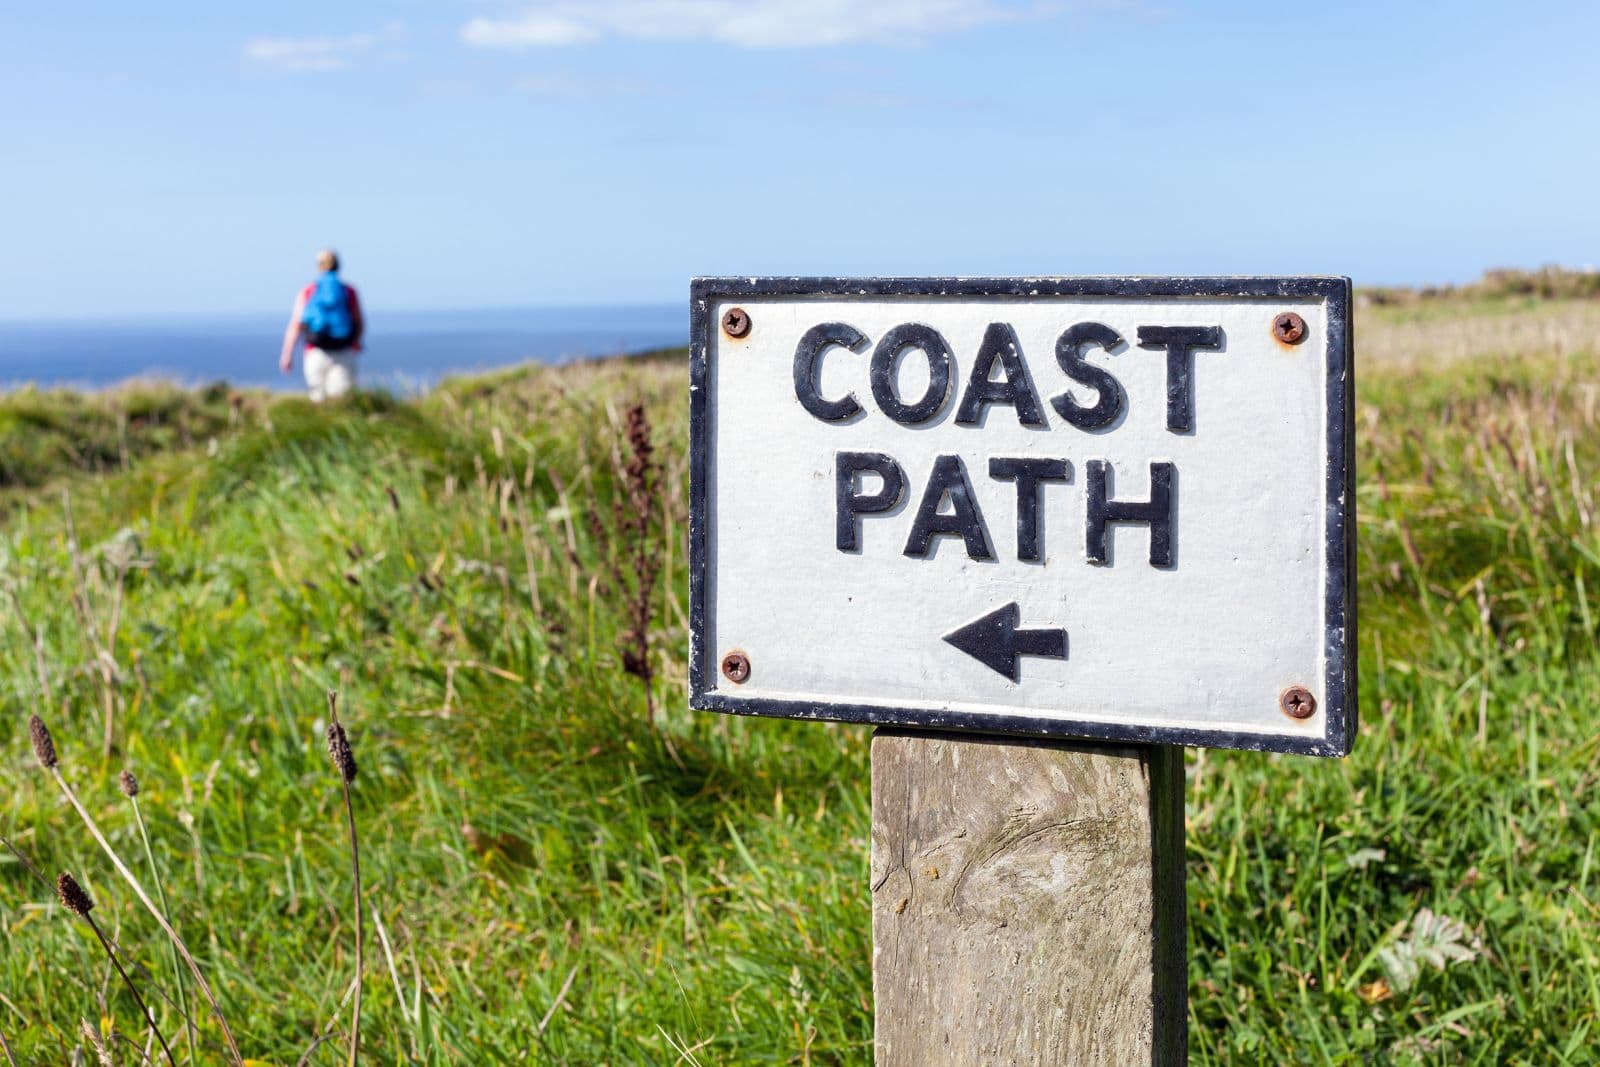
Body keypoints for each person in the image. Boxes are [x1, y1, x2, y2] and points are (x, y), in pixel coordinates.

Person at [279, 249, 365, 401]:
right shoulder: (348, 291)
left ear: (319, 266)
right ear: (338, 266)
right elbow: (358, 322)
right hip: (343, 350)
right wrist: (356, 342)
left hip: (315, 352)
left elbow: (296, 324)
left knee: (318, 398)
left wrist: (287, 355)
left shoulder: (308, 291)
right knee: (341, 399)